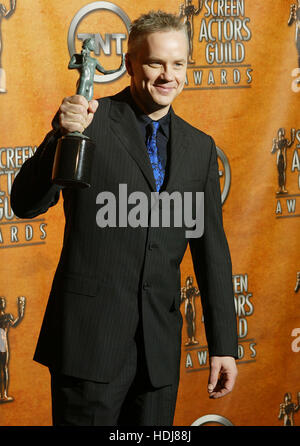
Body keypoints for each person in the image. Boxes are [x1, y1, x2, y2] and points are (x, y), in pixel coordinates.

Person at [11, 10, 238, 426]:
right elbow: (25, 204)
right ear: (130, 64)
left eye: (178, 63)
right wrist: (60, 136)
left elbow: (212, 253)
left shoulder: (199, 147)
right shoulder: (90, 123)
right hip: (88, 346)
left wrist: (224, 344)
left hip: (158, 356)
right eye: (155, 63)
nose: (168, 75)